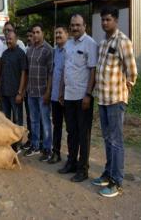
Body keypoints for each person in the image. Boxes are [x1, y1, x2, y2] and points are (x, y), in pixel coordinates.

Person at [92, 7, 137, 198]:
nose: (104, 23)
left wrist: (127, 88)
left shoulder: (123, 42)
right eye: (102, 19)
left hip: (116, 100)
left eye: (108, 19)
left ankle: (116, 182)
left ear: (116, 20)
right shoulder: (102, 43)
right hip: (102, 99)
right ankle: (108, 173)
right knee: (108, 139)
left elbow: (132, 70)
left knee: (117, 142)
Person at [58, 14, 98, 182]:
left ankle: (83, 169)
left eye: (78, 25)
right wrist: (61, 91)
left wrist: (88, 95)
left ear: (84, 26)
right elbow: (65, 69)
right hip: (68, 96)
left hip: (83, 97)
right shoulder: (68, 44)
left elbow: (93, 71)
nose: (75, 28)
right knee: (71, 132)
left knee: (83, 134)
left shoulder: (90, 44)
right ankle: (72, 162)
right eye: (72, 25)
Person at [25, 23, 53, 161]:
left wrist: (48, 92)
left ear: (43, 34)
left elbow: (50, 73)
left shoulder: (48, 50)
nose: (35, 35)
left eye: (37, 32)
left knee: (45, 121)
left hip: (43, 92)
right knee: (34, 120)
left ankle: (47, 148)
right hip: (31, 91)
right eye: (33, 33)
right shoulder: (29, 49)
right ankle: (35, 145)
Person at [0, 30, 27, 153]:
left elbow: (23, 73)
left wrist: (20, 92)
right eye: (7, 39)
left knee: (17, 120)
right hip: (4, 92)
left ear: (16, 39)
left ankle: (17, 145)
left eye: (10, 39)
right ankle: (8, 144)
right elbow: (1, 73)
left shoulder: (21, 54)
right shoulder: (4, 54)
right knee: (6, 120)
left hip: (15, 94)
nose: (8, 41)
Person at [48, 25, 68, 164]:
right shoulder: (55, 52)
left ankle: (73, 159)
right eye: (56, 34)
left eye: (60, 33)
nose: (58, 36)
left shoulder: (70, 51)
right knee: (57, 125)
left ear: (66, 34)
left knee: (72, 129)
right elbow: (53, 72)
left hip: (68, 97)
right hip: (55, 96)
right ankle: (56, 153)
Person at [22, 28, 34, 150]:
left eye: (32, 35)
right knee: (30, 117)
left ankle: (39, 142)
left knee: (38, 118)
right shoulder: (26, 51)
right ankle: (31, 140)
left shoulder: (44, 50)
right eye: (28, 36)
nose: (30, 38)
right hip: (27, 90)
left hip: (38, 90)